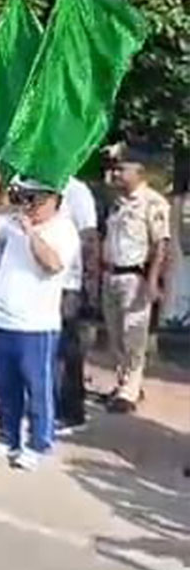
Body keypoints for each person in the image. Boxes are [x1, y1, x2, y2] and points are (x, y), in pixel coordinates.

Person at [0, 166, 80, 470]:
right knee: (5, 384)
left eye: (36, 199)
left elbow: (52, 264)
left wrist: (31, 232)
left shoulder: (63, 229)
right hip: (5, 320)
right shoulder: (15, 222)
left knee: (37, 386)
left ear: (54, 200)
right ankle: (9, 438)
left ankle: (38, 442)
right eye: (27, 197)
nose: (29, 204)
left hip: (36, 326)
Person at [100, 150, 171, 413]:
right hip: (111, 274)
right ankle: (124, 384)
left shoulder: (153, 203)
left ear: (138, 171)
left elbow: (160, 245)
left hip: (135, 277)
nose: (117, 173)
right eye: (116, 169)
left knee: (134, 335)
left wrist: (153, 281)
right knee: (115, 335)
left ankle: (129, 392)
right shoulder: (117, 202)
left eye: (122, 169)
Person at [57, 175, 99, 430]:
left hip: (68, 283)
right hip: (42, 284)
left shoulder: (77, 190)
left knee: (67, 350)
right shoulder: (37, 182)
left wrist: (90, 282)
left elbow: (90, 238)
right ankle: (52, 405)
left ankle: (71, 411)